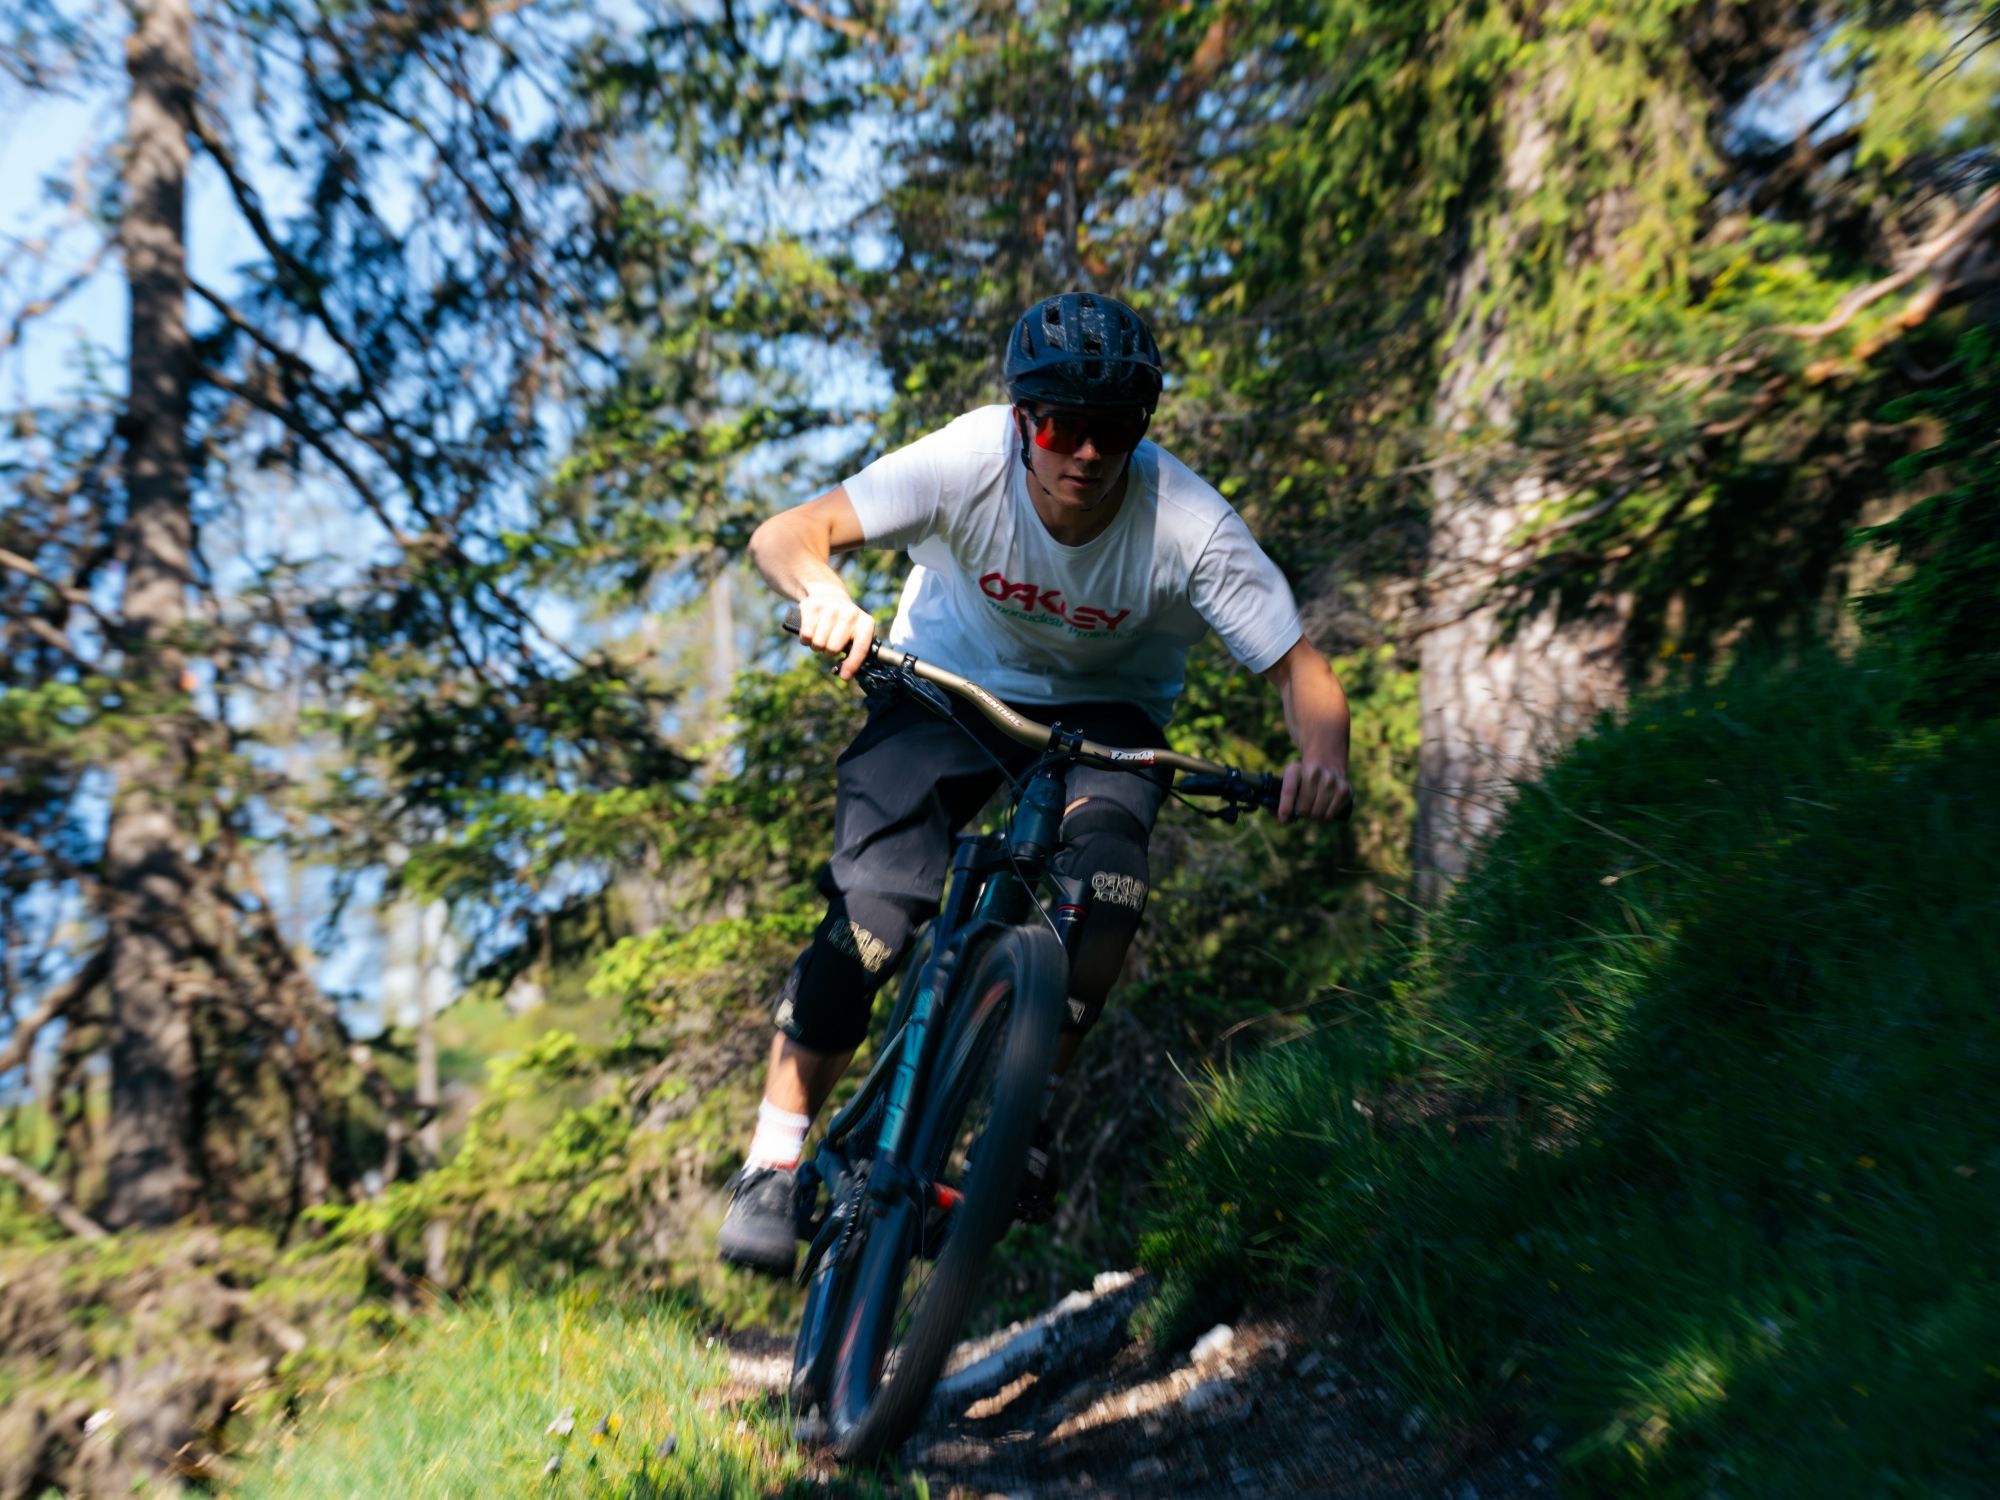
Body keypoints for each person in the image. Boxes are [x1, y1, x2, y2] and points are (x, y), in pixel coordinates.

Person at [718, 291, 1353, 1275]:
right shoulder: (966, 461)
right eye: (1058, 424)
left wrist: (1321, 761)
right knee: (873, 920)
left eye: (1112, 430)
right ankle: (771, 1158)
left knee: (1105, 885)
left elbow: (1300, 673)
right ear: (1021, 419)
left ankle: (1027, 1109)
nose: (1084, 453)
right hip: (944, 687)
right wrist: (826, 592)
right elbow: (788, 533)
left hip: (1107, 723)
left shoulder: (1186, 521)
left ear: (1140, 431)